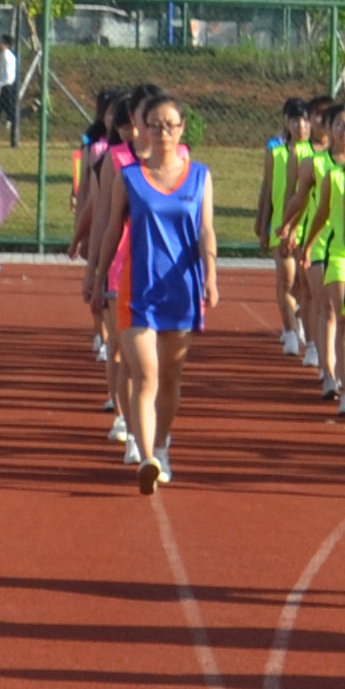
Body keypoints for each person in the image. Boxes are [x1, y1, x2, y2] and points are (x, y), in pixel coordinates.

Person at [113, 90, 216, 493]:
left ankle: (161, 443)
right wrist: (97, 273)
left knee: (171, 378)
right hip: (138, 289)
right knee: (146, 375)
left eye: (171, 125)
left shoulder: (201, 176)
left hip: (183, 288)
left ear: (182, 128)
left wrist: (211, 274)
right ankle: (147, 458)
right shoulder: (130, 177)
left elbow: (207, 229)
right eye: (155, 125)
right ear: (143, 129)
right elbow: (111, 229)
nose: (163, 132)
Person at [0, 32, 24, 138]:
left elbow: (9, 77)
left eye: (1, 42)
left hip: (7, 88)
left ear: (6, 44)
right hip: (3, 87)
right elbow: (3, 74)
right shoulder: (2, 55)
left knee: (13, 115)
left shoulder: (8, 56)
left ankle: (32, 109)